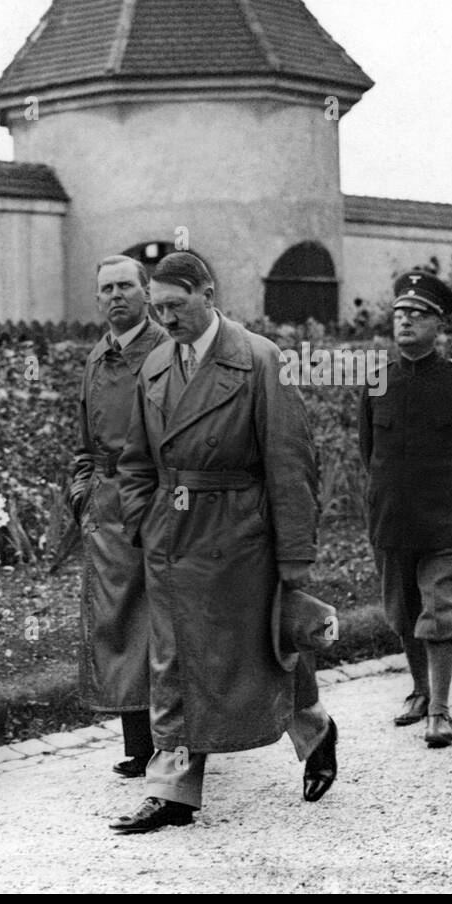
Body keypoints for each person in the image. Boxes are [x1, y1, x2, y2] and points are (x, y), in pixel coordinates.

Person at [111, 251, 338, 834]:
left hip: (240, 539)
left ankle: (314, 732)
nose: (166, 318)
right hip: (172, 537)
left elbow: (292, 465)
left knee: (264, 653)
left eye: (176, 305)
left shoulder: (260, 360)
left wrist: (293, 560)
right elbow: (135, 460)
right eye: (157, 308)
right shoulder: (156, 364)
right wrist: (144, 520)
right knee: (173, 662)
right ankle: (174, 794)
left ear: (208, 294)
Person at [358, 269, 452, 748]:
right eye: (399, 314)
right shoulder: (377, 381)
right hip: (392, 517)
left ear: (440, 327)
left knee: (442, 612)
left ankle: (440, 708)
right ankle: (418, 690)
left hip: (447, 519)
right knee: (403, 611)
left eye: (418, 315)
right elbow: (367, 448)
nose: (406, 322)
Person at [69, 255, 167, 777]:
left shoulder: (168, 352)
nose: (115, 296)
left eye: (126, 286)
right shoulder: (96, 356)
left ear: (146, 292)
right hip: (107, 508)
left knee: (163, 622)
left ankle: (177, 739)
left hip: (154, 499)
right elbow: (84, 442)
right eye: (106, 288)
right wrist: (83, 491)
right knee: (118, 622)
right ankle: (139, 746)